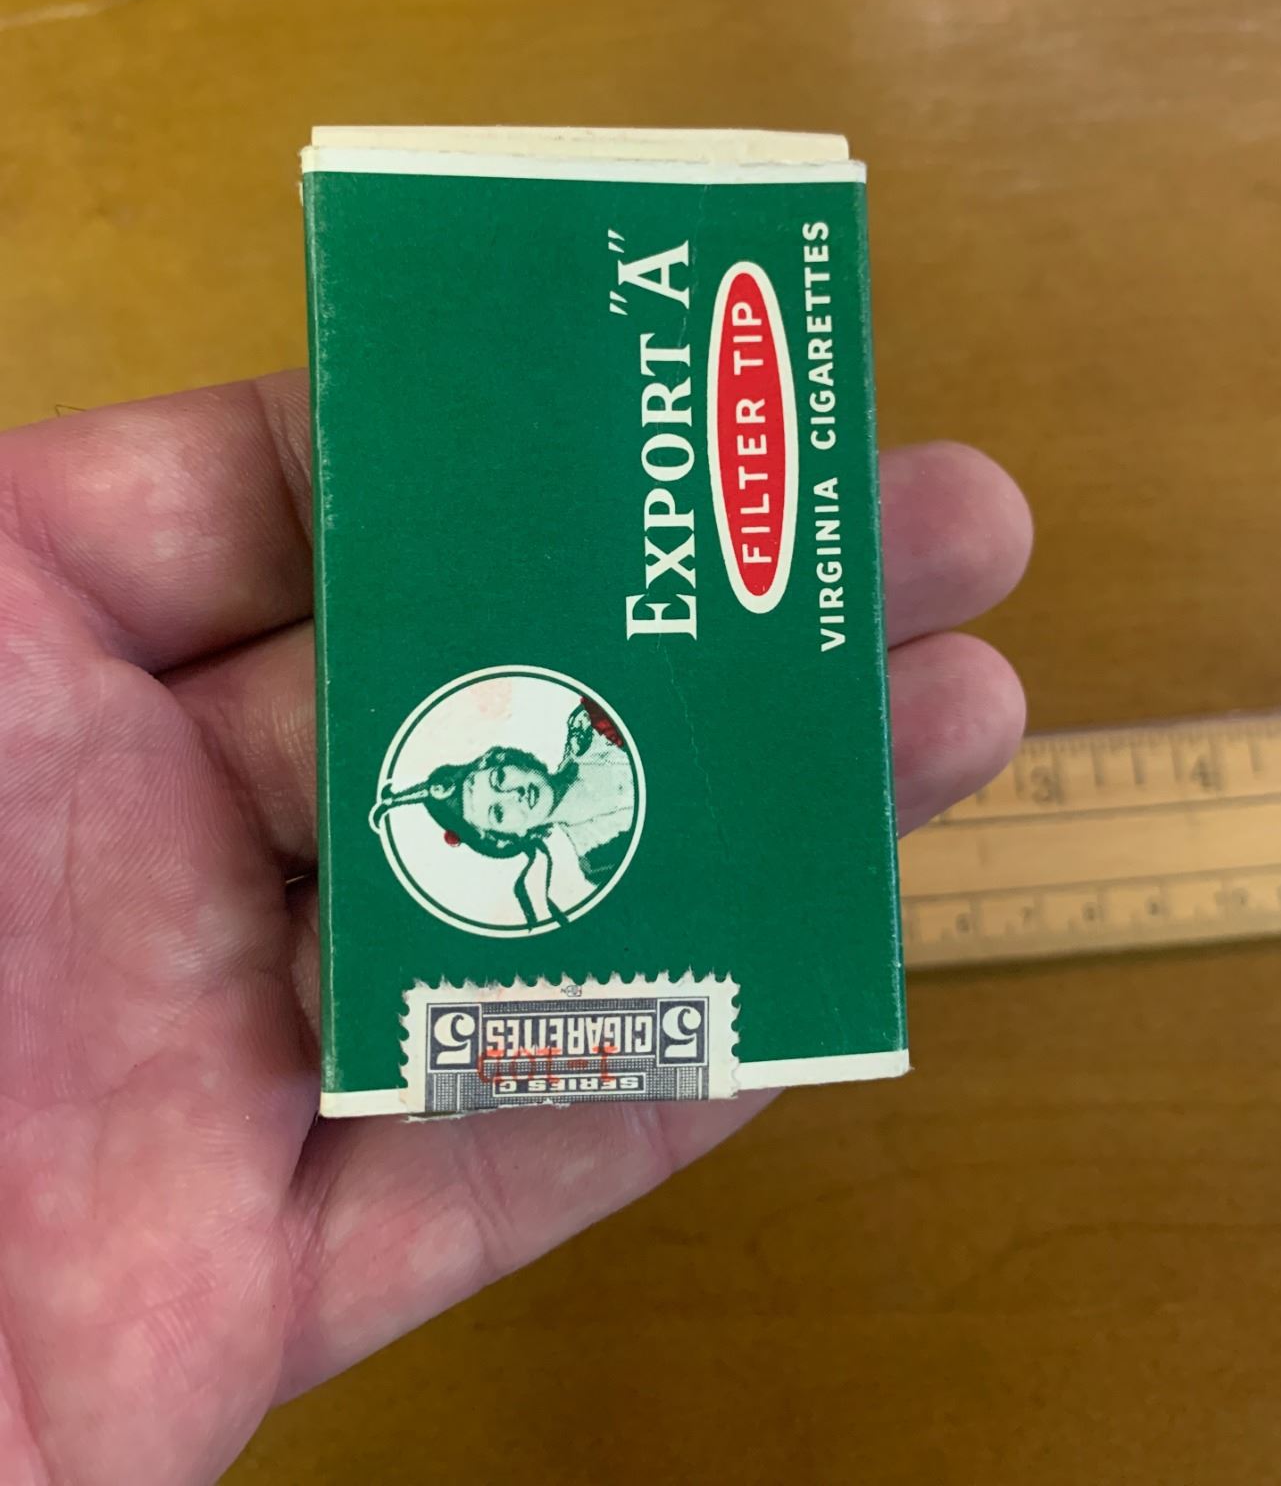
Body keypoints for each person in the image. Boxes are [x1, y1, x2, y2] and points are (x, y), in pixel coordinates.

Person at [0, 372, 1031, 1484]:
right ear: (503, 841)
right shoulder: (565, 877)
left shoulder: (592, 738)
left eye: (498, 777)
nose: (506, 793)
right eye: (495, 809)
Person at [370, 698, 636, 924]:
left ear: (509, 760)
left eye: (499, 779)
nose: (514, 795)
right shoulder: (601, 864)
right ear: (512, 837)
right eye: (498, 813)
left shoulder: (591, 724)